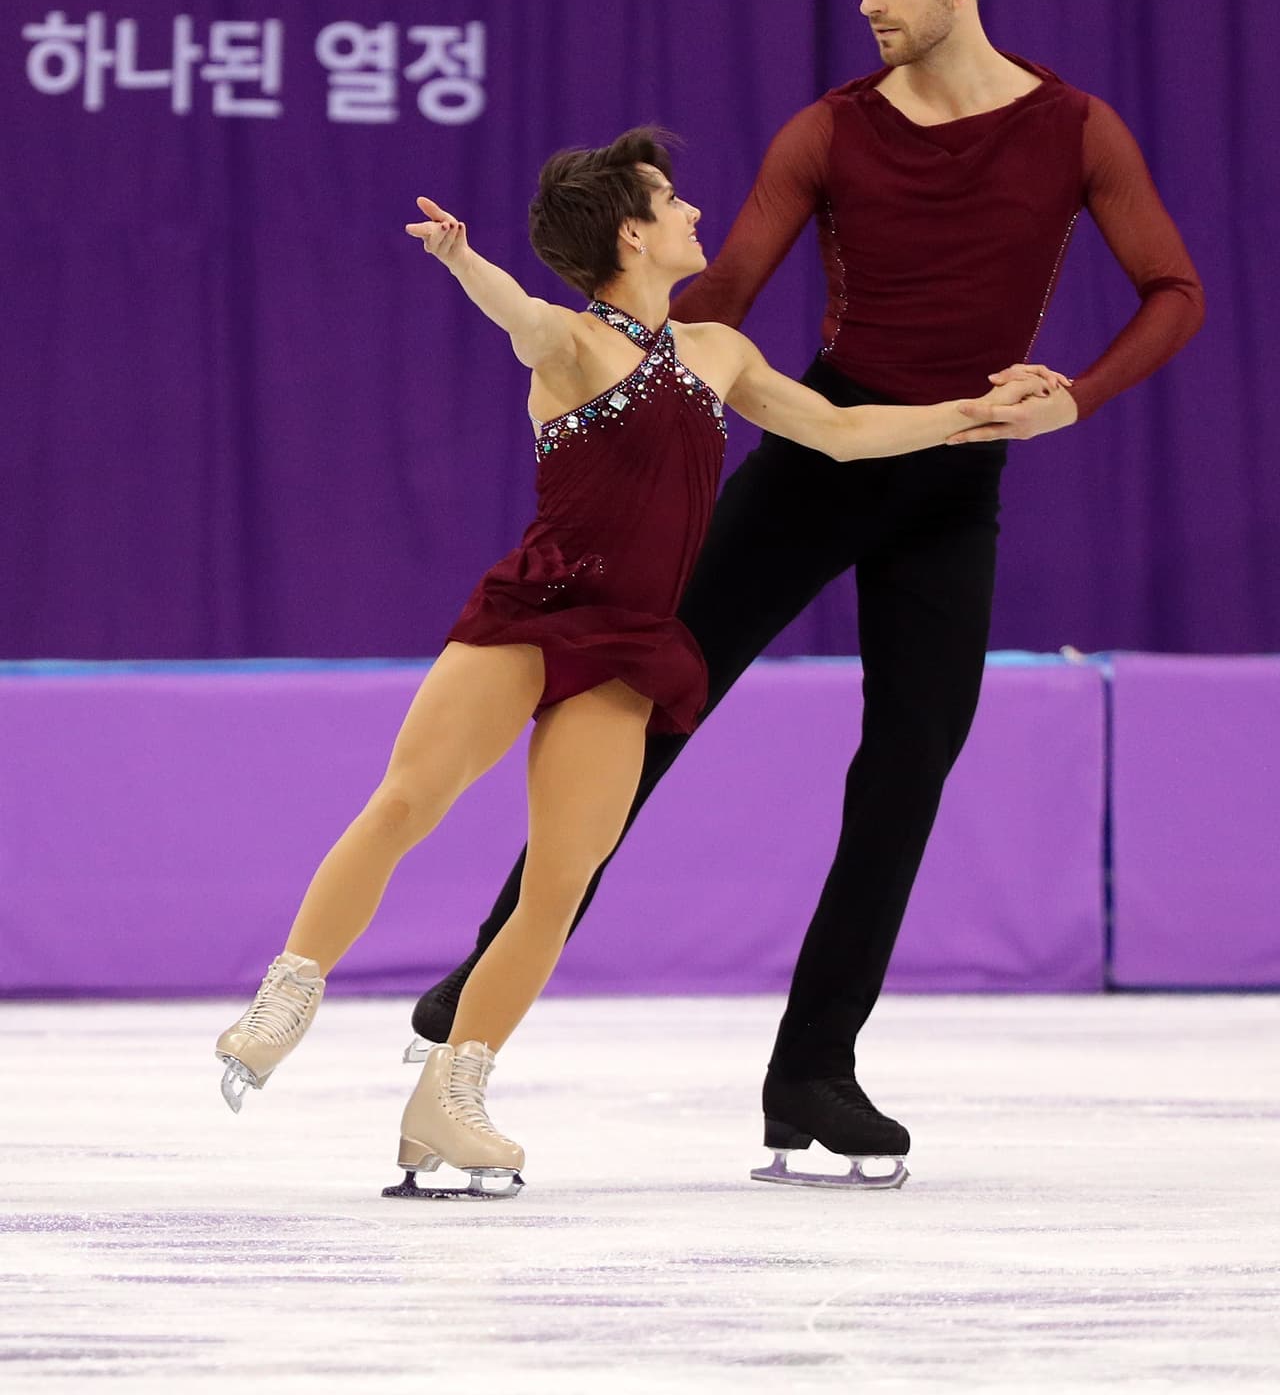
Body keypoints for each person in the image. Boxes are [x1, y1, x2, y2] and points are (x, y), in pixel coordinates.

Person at [407, 0, 1206, 1190]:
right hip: (823, 449)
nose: (868, 3)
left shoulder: (1074, 129)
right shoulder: (829, 134)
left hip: (956, 476)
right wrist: (592, 329)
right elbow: (715, 290)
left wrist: (1079, 392)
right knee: (641, 707)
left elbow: (1173, 288)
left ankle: (813, 1069)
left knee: (908, 762)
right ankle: (480, 977)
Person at [213, 127, 1059, 1198]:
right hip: (532, 617)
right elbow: (520, 318)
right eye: (673, 199)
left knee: (560, 880)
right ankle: (288, 993)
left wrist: (970, 416)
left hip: (629, 647)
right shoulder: (571, 341)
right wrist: (466, 261)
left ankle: (450, 1096)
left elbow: (837, 433)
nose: (694, 212)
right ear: (631, 230)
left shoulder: (718, 353)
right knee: (407, 799)